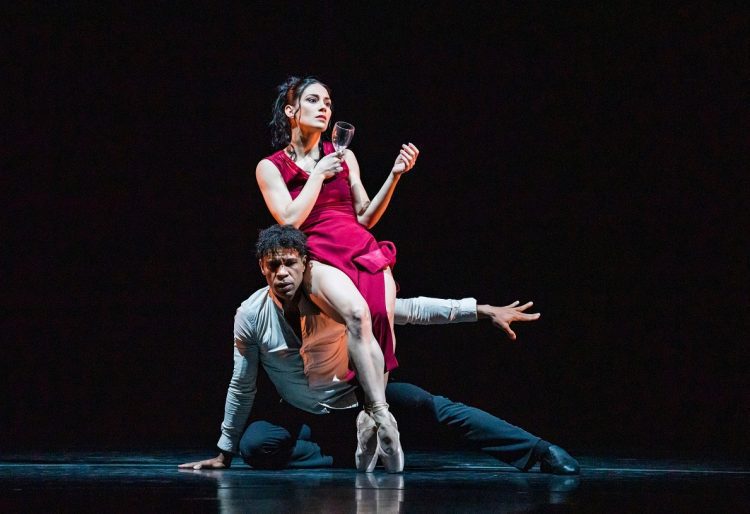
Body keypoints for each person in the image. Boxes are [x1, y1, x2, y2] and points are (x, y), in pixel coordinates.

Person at [179, 225, 579, 475]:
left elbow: (409, 310)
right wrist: (223, 452)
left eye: (288, 263)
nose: (281, 273)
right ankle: (342, 454)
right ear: (262, 269)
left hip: (360, 403)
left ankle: (540, 453)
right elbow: (241, 384)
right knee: (256, 445)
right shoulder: (251, 314)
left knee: (433, 407)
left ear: (304, 264)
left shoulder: (334, 296)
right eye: (272, 266)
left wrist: (480, 310)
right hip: (304, 415)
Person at [255, 76, 419, 470]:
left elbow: (365, 216)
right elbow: (289, 219)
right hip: (317, 252)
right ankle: (383, 417)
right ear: (291, 111)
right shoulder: (271, 166)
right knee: (357, 314)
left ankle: (368, 419)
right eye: (313, 100)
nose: (324, 107)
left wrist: (394, 175)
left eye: (328, 101)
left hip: (358, 245)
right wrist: (317, 175)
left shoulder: (344, 157)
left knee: (378, 319)